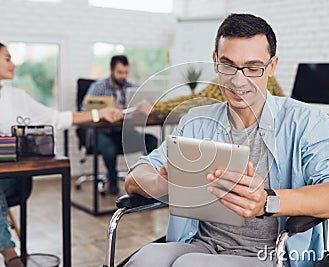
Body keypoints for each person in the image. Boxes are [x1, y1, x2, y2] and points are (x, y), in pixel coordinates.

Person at [124, 13, 329, 267]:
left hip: (269, 255)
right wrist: (163, 184)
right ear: (215, 62)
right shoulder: (196, 120)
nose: (238, 81)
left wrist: (268, 201)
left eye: (253, 68)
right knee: (145, 259)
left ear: (272, 66)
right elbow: (134, 178)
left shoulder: (307, 121)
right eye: (228, 65)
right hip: (199, 243)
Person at [0, 42, 123, 267]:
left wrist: (99, 113)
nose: (14, 63)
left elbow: (57, 119)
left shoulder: (17, 97)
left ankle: (9, 254)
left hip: (11, 178)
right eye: (7, 58)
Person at [85, 55, 158, 195]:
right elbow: (85, 110)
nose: (123, 76)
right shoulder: (98, 87)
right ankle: (112, 179)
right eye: (119, 72)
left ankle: (146, 181)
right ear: (111, 70)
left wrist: (143, 107)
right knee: (109, 147)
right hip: (102, 133)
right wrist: (106, 112)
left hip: (124, 132)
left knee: (151, 141)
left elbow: (149, 100)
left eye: (125, 72)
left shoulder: (131, 88)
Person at [134, 76, 284, 116]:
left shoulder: (270, 81)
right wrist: (157, 106)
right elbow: (194, 101)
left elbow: (282, 104)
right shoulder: (220, 86)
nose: (239, 81)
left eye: (251, 67)